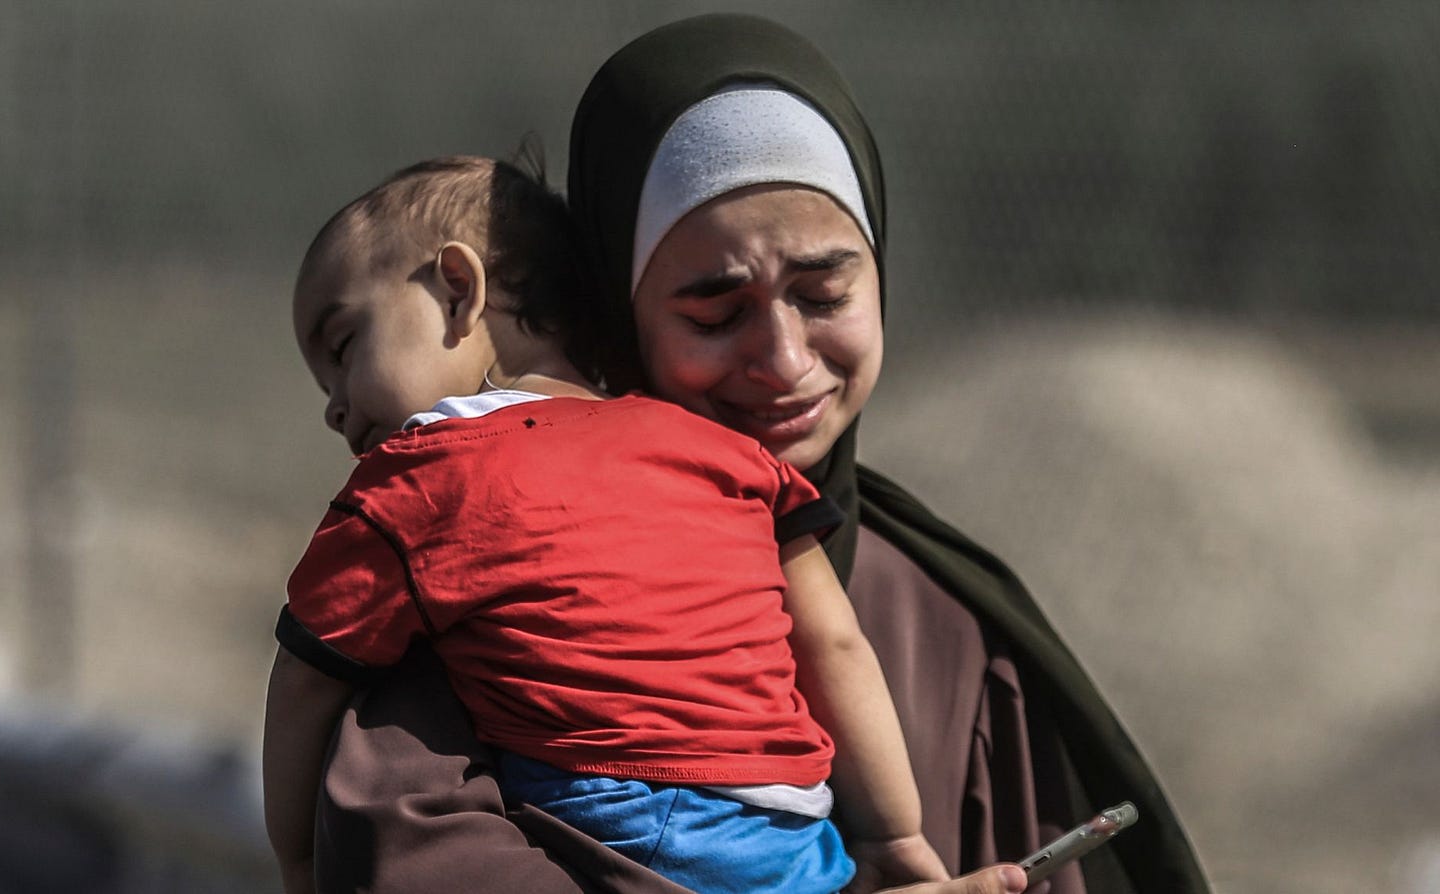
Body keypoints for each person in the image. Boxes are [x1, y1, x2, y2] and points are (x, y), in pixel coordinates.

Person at [309, 14, 1210, 894]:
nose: (782, 362)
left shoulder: (955, 636)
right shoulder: (484, 574)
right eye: (714, 312)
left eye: (823, 292)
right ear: (616, 322)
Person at [263, 154, 950, 894]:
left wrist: (299, 856)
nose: (334, 404)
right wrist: (895, 834)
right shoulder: (717, 447)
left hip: (625, 818)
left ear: (458, 291)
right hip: (795, 824)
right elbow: (834, 640)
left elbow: (305, 683)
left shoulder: (419, 478)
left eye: (342, 348)